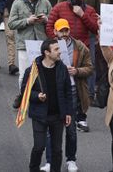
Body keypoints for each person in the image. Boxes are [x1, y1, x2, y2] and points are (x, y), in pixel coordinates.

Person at [23, 35, 73, 172]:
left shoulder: (62, 68)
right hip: (40, 116)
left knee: (57, 150)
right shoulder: (33, 70)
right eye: (56, 49)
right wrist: (37, 96)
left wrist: (68, 112)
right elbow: (25, 92)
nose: (59, 51)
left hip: (57, 116)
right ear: (47, 52)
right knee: (39, 146)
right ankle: (33, 168)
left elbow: (68, 92)